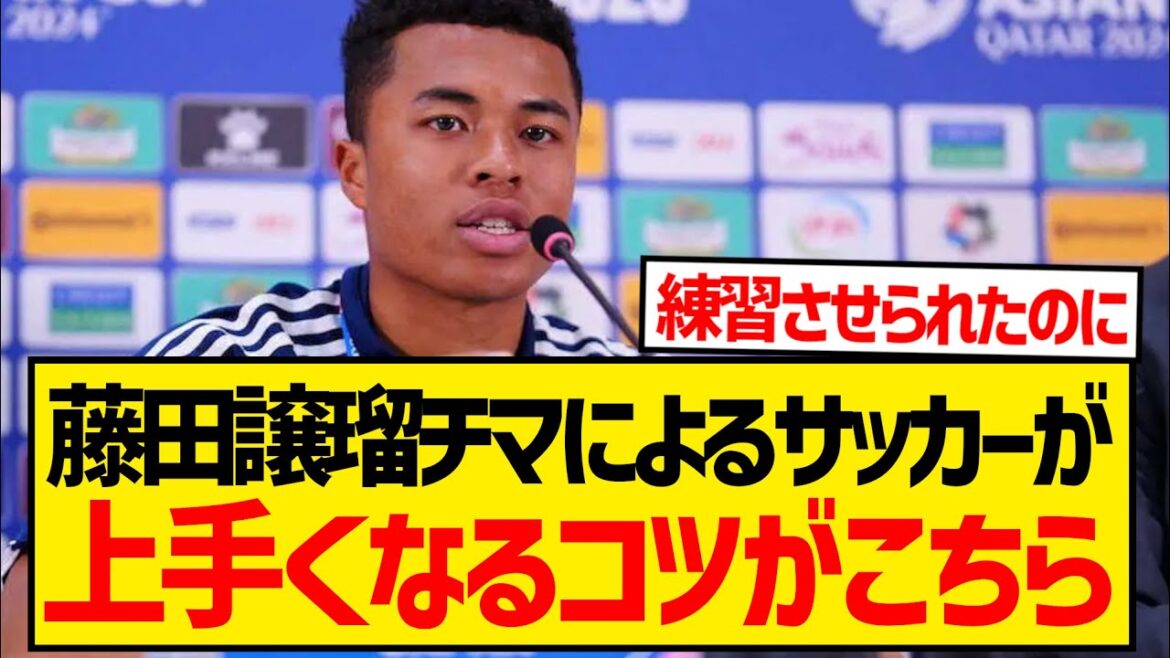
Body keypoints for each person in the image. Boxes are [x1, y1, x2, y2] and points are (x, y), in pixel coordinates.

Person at [1, 0, 632, 654]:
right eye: (447, 123)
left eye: (538, 133)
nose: (501, 163)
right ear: (355, 171)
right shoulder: (208, 382)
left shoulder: (638, 411)